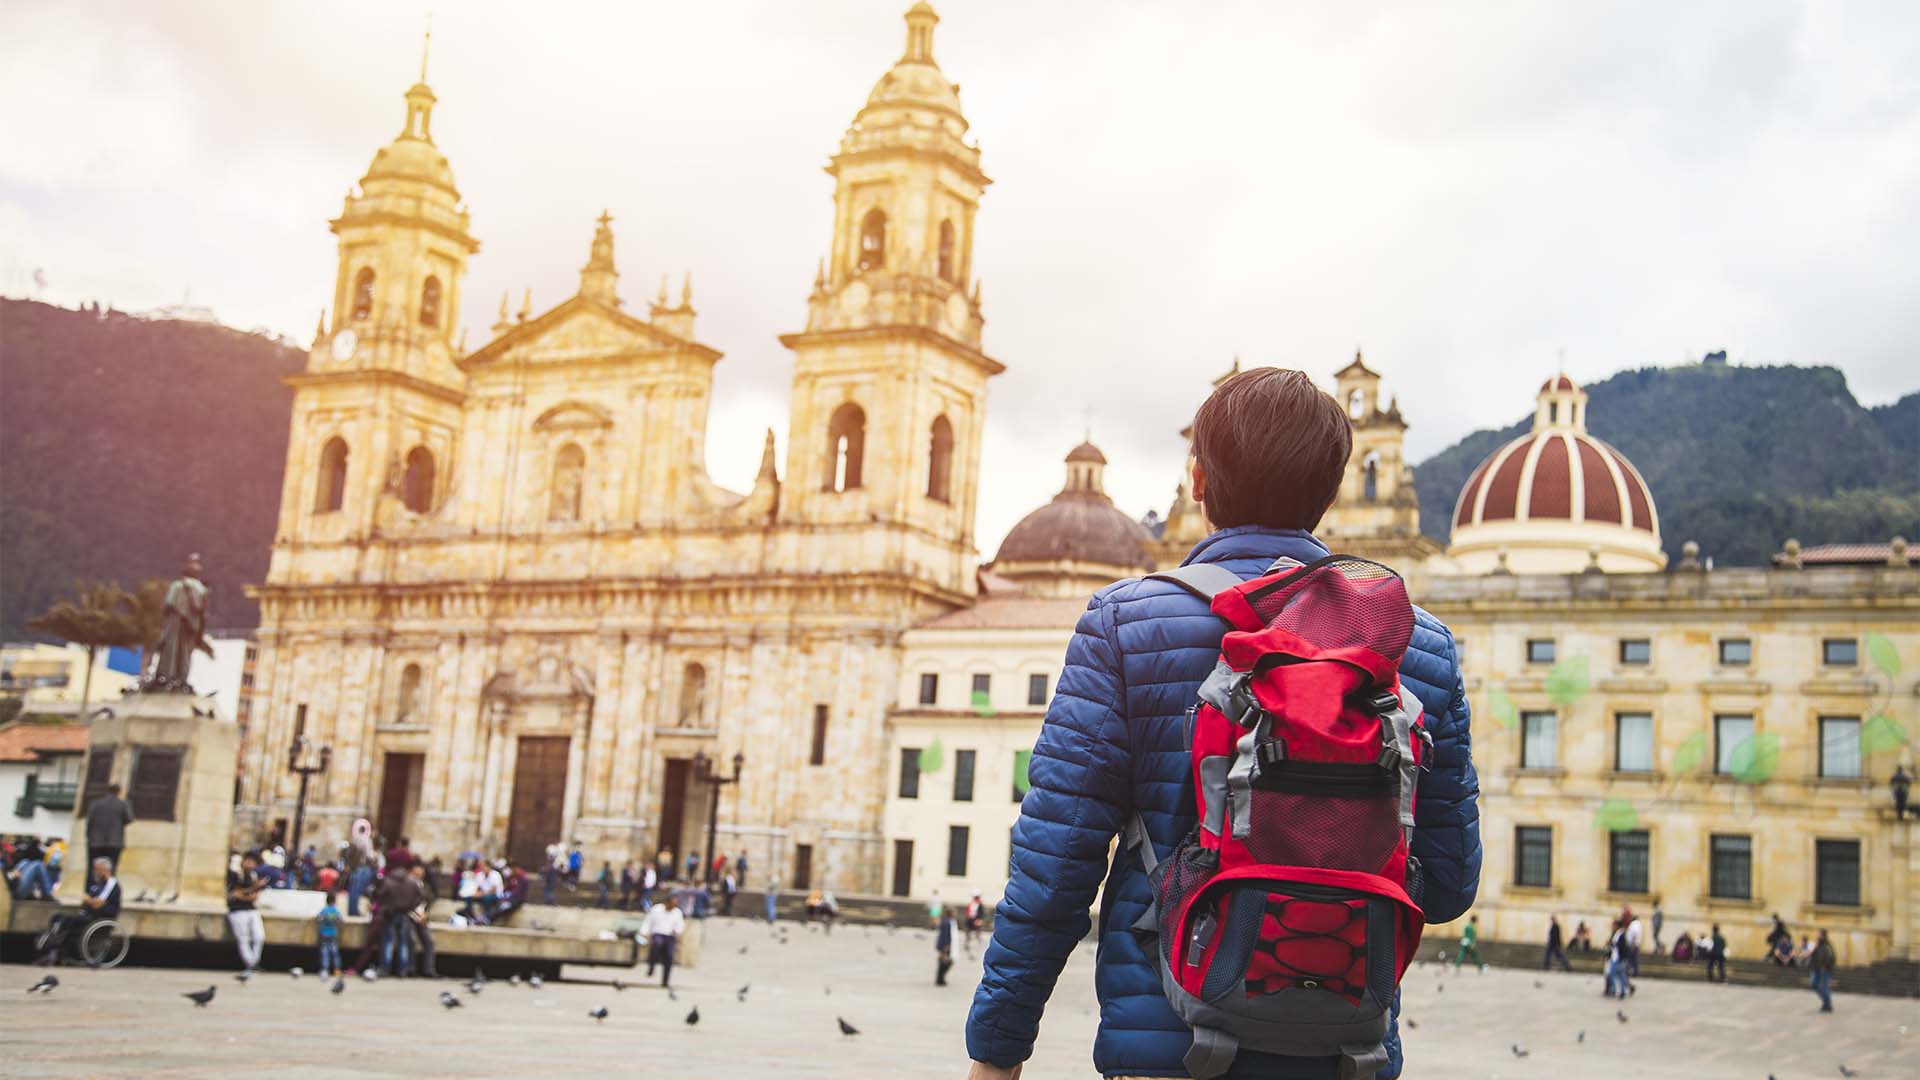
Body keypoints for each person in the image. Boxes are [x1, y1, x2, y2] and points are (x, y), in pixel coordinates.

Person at [965, 368, 1482, 1080]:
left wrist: (998, 1049)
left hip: (1169, 1046)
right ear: (1328, 494)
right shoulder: (1417, 647)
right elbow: (1450, 886)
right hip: (1348, 1054)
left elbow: (1053, 870)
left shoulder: (1122, 625)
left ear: (1199, 480)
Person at [35, 857, 120, 964]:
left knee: (67, 920)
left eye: (97, 869)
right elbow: (89, 900)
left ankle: (52, 948)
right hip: (87, 914)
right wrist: (89, 900)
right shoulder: (98, 884)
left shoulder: (111, 884)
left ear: (105, 870)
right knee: (57, 917)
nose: (95, 872)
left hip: (98, 917)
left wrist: (88, 900)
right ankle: (52, 946)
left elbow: (98, 903)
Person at [227, 852, 266, 973]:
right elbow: (234, 894)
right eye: (248, 861)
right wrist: (253, 889)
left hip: (252, 910)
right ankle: (250, 964)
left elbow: (254, 896)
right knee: (243, 938)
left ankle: (254, 962)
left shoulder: (253, 875)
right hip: (237, 911)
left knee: (259, 937)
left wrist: (248, 894)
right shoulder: (234, 875)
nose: (250, 864)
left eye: (252, 862)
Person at [84, 782, 134, 873]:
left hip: (95, 842)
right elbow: (129, 819)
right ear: (119, 792)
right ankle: (108, 887)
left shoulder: (96, 804)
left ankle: (92, 887)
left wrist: (89, 837)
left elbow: (90, 821)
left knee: (92, 870)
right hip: (114, 843)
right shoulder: (122, 804)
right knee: (111, 870)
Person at [642, 892, 685, 988]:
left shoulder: (677, 912)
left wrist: (677, 931)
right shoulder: (656, 909)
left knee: (669, 957)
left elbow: (680, 926)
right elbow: (648, 921)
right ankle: (652, 966)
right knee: (657, 944)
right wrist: (644, 932)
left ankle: (665, 981)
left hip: (670, 936)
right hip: (658, 933)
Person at [316, 890, 343, 977]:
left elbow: (318, 919)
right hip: (333, 933)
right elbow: (340, 920)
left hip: (324, 933)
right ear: (334, 901)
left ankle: (325, 969)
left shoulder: (324, 910)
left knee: (325, 952)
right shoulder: (335, 911)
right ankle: (337, 970)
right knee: (334, 951)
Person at [1809, 929, 1836, 1012]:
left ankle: (1827, 1005)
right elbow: (1812, 955)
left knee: (1824, 987)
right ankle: (1826, 1002)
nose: (1817, 935)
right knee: (1813, 984)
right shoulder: (1817, 944)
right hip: (1816, 968)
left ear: (1822, 935)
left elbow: (1832, 957)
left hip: (1824, 969)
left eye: (1818, 934)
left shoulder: (1827, 945)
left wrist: (1826, 967)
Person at [936, 906, 956, 986]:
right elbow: (945, 935)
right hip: (945, 945)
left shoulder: (945, 921)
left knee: (943, 962)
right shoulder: (947, 922)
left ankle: (940, 978)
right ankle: (940, 978)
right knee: (946, 962)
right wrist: (946, 946)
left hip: (942, 944)